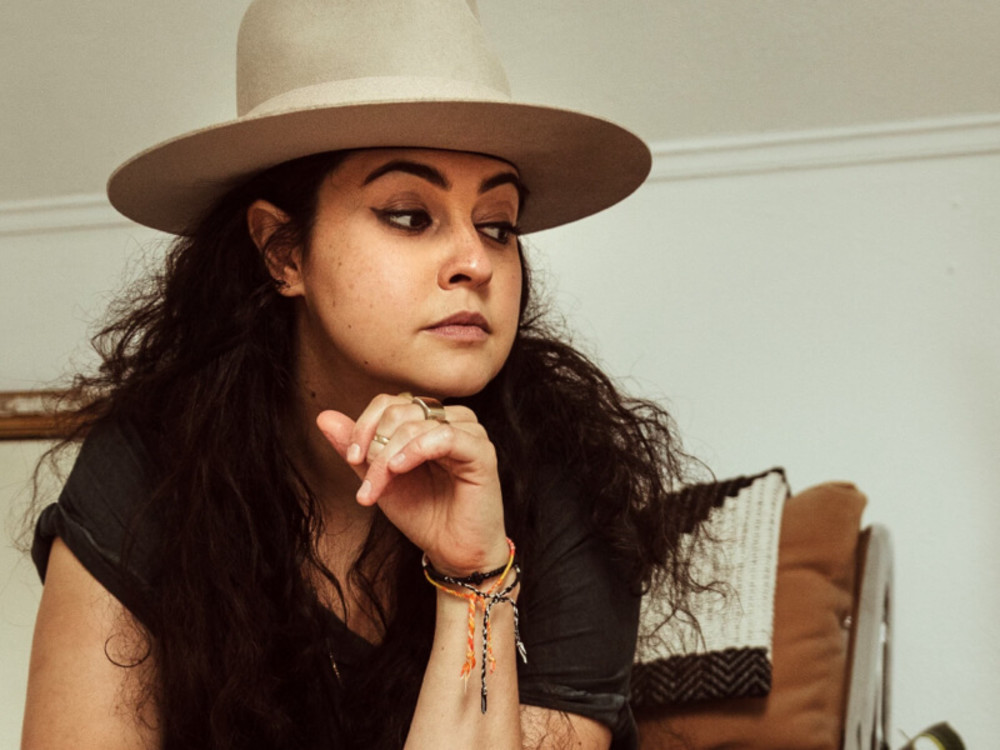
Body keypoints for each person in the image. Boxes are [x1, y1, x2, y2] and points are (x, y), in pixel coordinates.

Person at [22, 1, 703, 748]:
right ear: (283, 252)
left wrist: (474, 577)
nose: (475, 262)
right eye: (410, 215)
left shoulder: (567, 482)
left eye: (497, 225)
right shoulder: (150, 465)